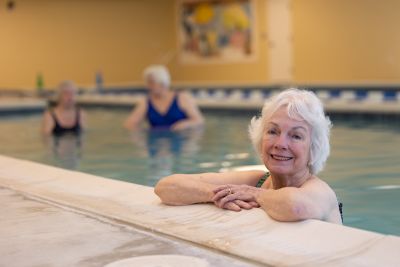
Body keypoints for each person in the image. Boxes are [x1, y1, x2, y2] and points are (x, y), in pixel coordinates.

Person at [155, 88, 343, 224]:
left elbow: (295, 207)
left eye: (296, 136)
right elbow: (166, 187)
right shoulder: (256, 180)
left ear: (314, 148)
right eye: (272, 131)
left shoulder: (320, 192)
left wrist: (254, 194)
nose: (280, 144)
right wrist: (216, 195)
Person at [124, 65, 204, 131]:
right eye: (147, 82)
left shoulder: (182, 98)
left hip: (181, 141)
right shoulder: (146, 102)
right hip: (155, 141)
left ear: (162, 83)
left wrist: (185, 124)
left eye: (151, 82)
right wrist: (142, 133)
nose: (148, 86)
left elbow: (199, 121)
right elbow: (129, 124)